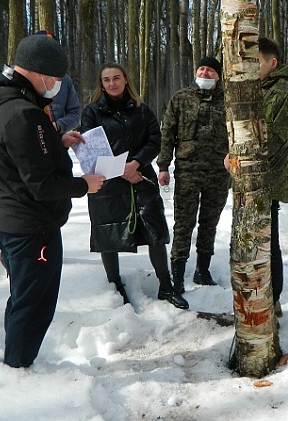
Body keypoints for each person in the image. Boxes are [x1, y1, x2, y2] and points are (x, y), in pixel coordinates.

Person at [0, 34, 105, 368]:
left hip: (7, 215)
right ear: (40, 73)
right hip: (31, 226)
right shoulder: (24, 114)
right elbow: (41, 183)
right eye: (57, 78)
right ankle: (18, 369)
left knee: (23, 296)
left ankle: (15, 359)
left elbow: (19, 157)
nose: (59, 85)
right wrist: (83, 185)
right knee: (34, 303)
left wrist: (56, 141)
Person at [80, 63, 188, 309]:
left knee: (154, 230)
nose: (112, 84)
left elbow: (155, 139)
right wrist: (120, 169)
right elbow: (90, 148)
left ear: (126, 80)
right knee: (108, 234)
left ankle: (165, 285)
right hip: (106, 182)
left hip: (141, 177)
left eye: (116, 78)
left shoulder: (141, 109)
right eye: (106, 80)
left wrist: (137, 163)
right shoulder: (92, 113)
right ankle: (115, 286)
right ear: (101, 84)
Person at [158, 57, 230, 293]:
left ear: (218, 76)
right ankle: (177, 277)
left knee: (210, 223)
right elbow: (167, 133)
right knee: (183, 225)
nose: (205, 73)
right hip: (188, 172)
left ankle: (203, 270)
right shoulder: (180, 99)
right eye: (202, 69)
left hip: (219, 173)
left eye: (211, 70)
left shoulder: (228, 101)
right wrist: (163, 166)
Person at [258, 37, 288, 317]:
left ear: (272, 63)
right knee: (259, 240)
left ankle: (273, 300)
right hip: (258, 176)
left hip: (268, 178)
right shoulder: (265, 88)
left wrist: (240, 154)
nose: (252, 67)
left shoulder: (284, 91)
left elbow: (273, 137)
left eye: (257, 61)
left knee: (268, 241)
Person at [34, 31, 81, 133]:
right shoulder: (25, 78)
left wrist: (59, 126)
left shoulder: (65, 80)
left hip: (56, 140)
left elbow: (75, 114)